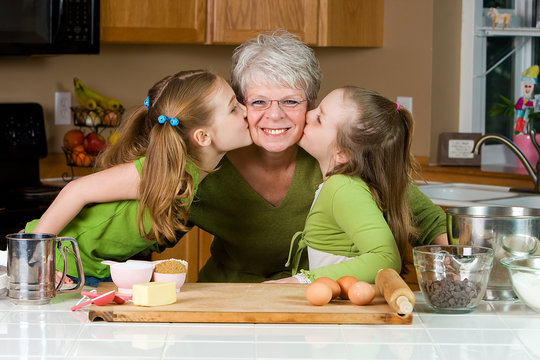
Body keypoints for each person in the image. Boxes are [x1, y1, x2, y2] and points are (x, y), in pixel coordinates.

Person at [189, 31, 448, 283]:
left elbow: (428, 221)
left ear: (311, 104)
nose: (275, 115)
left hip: (313, 300)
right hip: (228, 298)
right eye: (259, 102)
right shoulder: (211, 161)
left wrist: (463, 271)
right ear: (242, 105)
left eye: (290, 101)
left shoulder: (338, 157)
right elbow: (153, 227)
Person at [25, 70, 252, 285]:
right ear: (203, 136)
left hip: (94, 269)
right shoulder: (157, 171)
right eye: (233, 108)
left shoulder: (193, 172)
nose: (246, 111)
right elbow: (76, 191)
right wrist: (36, 256)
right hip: (56, 263)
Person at [269, 86, 416, 284]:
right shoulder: (341, 185)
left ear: (343, 154)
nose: (308, 114)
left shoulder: (342, 188)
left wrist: (302, 281)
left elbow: (386, 260)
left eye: (319, 119)